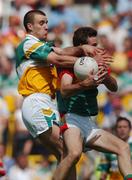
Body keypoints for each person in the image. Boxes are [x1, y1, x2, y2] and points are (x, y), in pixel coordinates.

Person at [15, 10, 111, 179]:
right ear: (30, 27)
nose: (46, 26)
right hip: (37, 101)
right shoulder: (28, 43)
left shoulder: (41, 45)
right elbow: (58, 59)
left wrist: (82, 48)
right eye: (41, 23)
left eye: (46, 22)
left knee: (66, 155)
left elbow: (62, 52)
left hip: (47, 104)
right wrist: (89, 61)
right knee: (67, 151)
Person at [55, 27, 132, 180]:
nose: (98, 49)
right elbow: (64, 90)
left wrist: (106, 78)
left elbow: (114, 87)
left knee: (123, 147)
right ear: (84, 47)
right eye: (94, 46)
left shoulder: (96, 64)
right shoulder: (70, 65)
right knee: (74, 154)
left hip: (89, 123)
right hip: (71, 118)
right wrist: (84, 84)